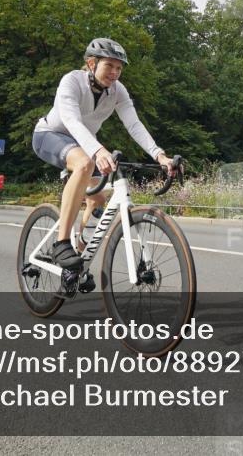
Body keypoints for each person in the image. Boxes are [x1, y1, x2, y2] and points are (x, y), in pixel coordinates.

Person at [32, 38, 176, 289]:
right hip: (51, 135)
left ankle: (77, 256)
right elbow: (72, 121)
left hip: (85, 144)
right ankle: (61, 243)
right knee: (85, 164)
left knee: (98, 198)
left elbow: (134, 124)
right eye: (109, 65)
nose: (115, 73)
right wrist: (98, 150)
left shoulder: (118, 90)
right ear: (91, 63)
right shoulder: (71, 81)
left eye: (119, 68)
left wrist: (160, 155)